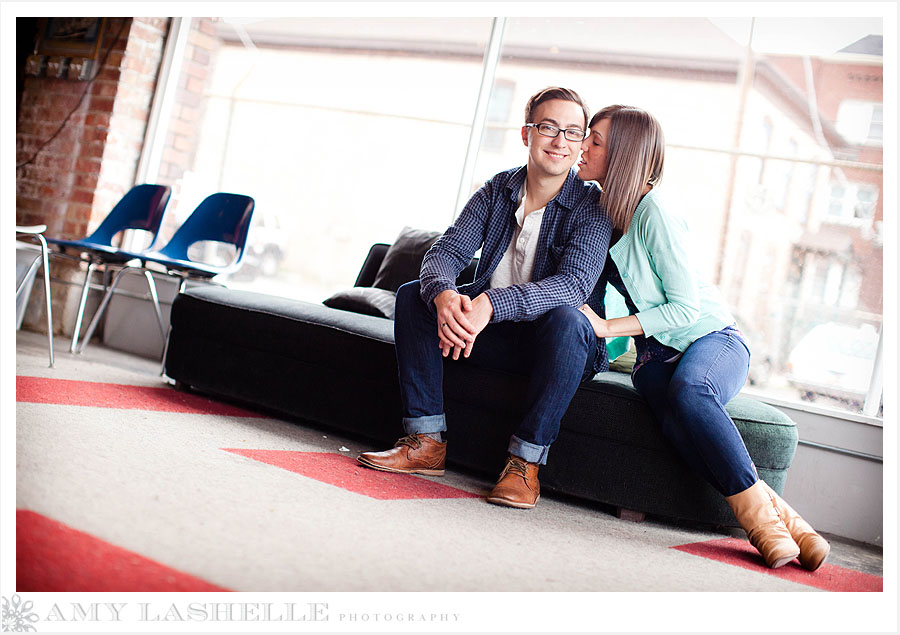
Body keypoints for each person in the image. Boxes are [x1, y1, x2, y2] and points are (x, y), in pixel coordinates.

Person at [575, 104, 829, 570]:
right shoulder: (603, 214)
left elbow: (686, 307)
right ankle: (791, 525)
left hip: (713, 339)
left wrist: (609, 328)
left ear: (625, 154)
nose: (581, 147)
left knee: (692, 394)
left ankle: (761, 528)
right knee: (678, 428)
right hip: (657, 359)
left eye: (594, 141)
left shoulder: (656, 213)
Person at [357, 87, 612, 509]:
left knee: (569, 319)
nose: (560, 141)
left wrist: (492, 304)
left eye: (573, 132)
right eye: (548, 127)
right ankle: (426, 442)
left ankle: (524, 464)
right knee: (411, 298)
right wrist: (443, 296)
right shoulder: (497, 189)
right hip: (491, 336)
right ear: (526, 133)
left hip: (558, 347)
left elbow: (572, 286)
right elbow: (446, 251)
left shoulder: (592, 207)